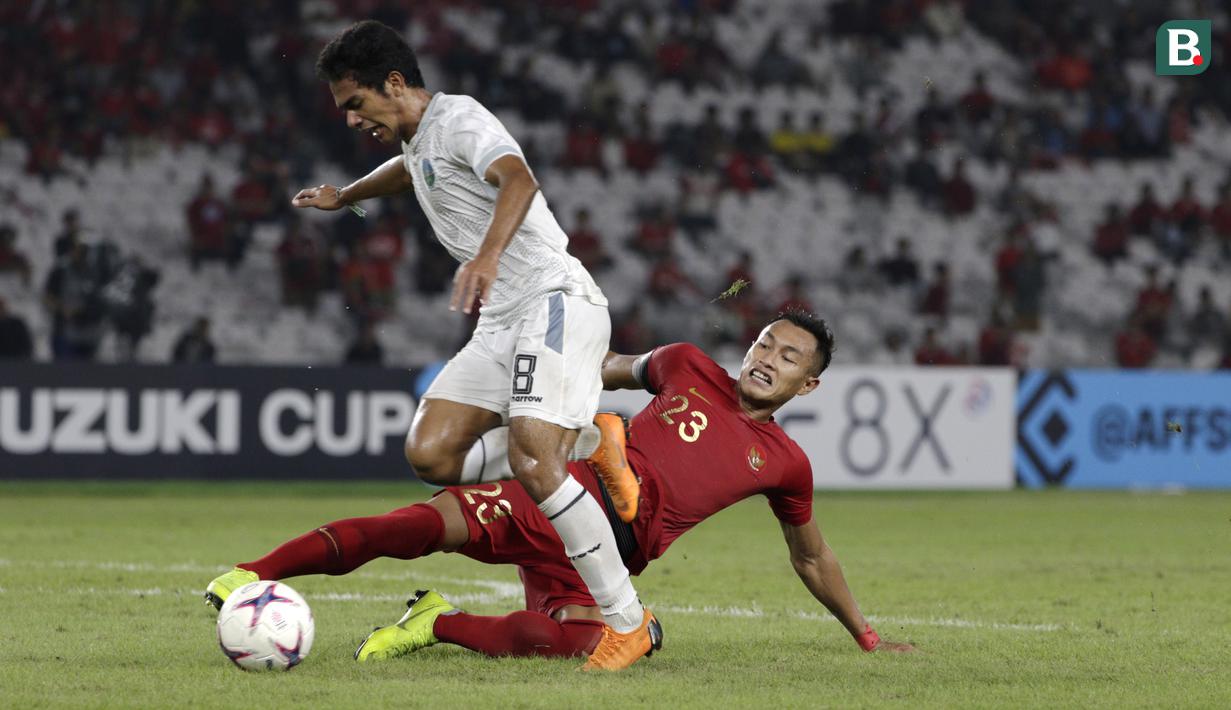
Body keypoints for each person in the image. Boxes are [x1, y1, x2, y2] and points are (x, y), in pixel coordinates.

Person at [205, 312, 913, 662]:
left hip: (609, 557)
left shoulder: (786, 463)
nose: (766, 359)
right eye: (763, 343)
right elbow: (603, 367)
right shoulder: (687, 365)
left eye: (788, 357)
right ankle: (251, 573)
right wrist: (536, 375)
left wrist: (866, 635)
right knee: (418, 527)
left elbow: (811, 555)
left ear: (807, 384)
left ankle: (435, 621)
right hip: (559, 494)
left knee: (573, 644)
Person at [283, 20, 653, 670]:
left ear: (394, 82)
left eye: (355, 103)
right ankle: (592, 440)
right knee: (431, 452)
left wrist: (486, 256)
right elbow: (410, 171)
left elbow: (518, 179)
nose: (350, 120)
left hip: (552, 298)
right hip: (502, 319)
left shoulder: (459, 118)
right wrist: (347, 196)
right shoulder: (420, 138)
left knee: (534, 461)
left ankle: (629, 622)